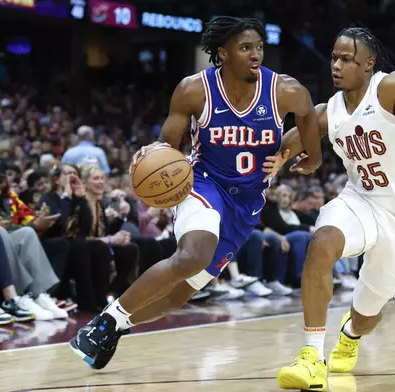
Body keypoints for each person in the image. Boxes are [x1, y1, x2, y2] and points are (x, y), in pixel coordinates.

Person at [69, 16, 323, 369]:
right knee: (192, 255)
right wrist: (154, 168)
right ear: (223, 53)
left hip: (247, 201)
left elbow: (312, 116)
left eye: (259, 47)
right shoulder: (193, 89)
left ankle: (118, 327)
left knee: (181, 293)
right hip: (203, 183)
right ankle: (105, 322)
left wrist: (311, 157)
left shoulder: (285, 90)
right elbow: (167, 146)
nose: (256, 55)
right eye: (245, 48)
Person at [262, 22, 395, 391]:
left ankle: (350, 335)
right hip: (360, 202)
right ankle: (311, 359)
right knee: (321, 244)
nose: (336, 65)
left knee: (366, 314)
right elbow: (298, 135)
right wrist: (277, 162)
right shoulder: (329, 111)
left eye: (347, 59)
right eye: (334, 57)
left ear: (368, 64)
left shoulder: (388, 89)